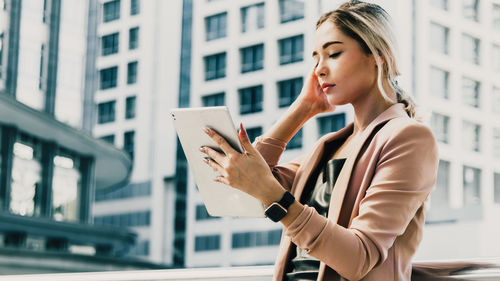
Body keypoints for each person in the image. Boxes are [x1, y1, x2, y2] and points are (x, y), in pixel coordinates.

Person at [200, 1, 439, 280]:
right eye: (315, 59)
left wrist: (278, 200)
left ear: (377, 54)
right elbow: (242, 188)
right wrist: (302, 109)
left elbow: (359, 258)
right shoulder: (328, 147)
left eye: (333, 53)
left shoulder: (408, 137)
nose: (319, 70)